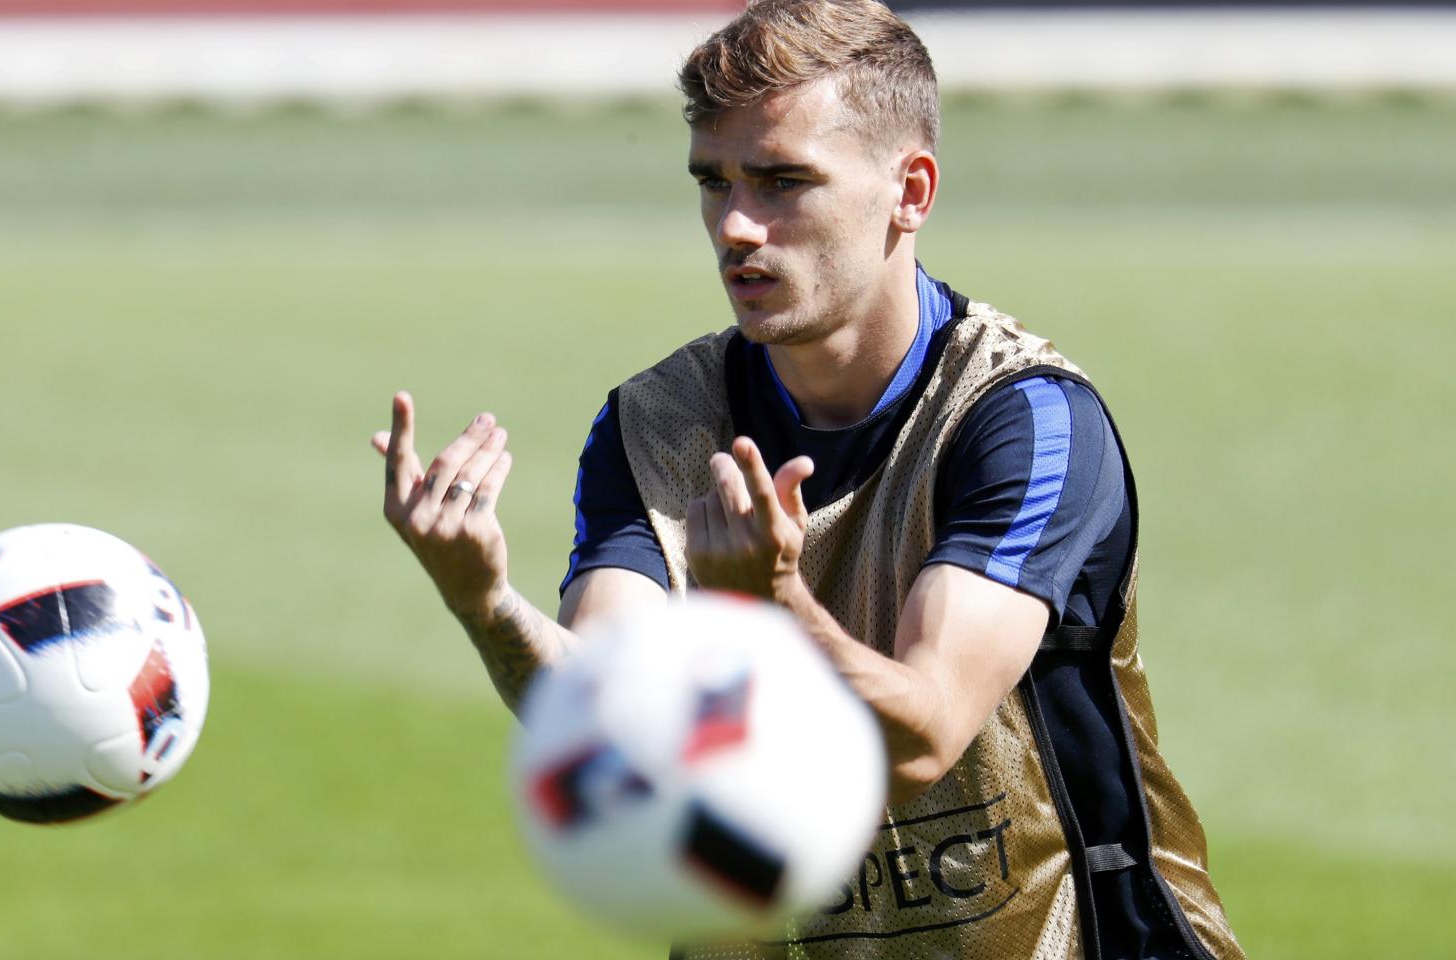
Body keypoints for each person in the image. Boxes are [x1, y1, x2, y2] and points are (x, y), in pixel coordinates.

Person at [373, 1, 1243, 956]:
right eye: (715, 182)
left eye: (784, 181)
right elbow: (606, 709)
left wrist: (776, 601)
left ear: (911, 190)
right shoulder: (654, 426)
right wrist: (483, 601)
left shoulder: (1022, 419)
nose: (736, 226)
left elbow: (923, 737)